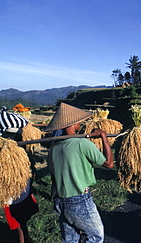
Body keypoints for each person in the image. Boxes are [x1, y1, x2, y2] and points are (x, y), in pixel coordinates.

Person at [45, 102, 114, 243]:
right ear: (73, 124)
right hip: (78, 200)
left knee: (70, 240)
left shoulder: (54, 148)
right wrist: (104, 138)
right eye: (79, 121)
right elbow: (109, 163)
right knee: (96, 236)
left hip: (60, 200)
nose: (82, 123)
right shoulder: (82, 144)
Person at [0, 106, 38, 243]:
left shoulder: (0, 154)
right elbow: (33, 172)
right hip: (21, 195)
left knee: (18, 225)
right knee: (21, 223)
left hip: (12, 198)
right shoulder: (23, 153)